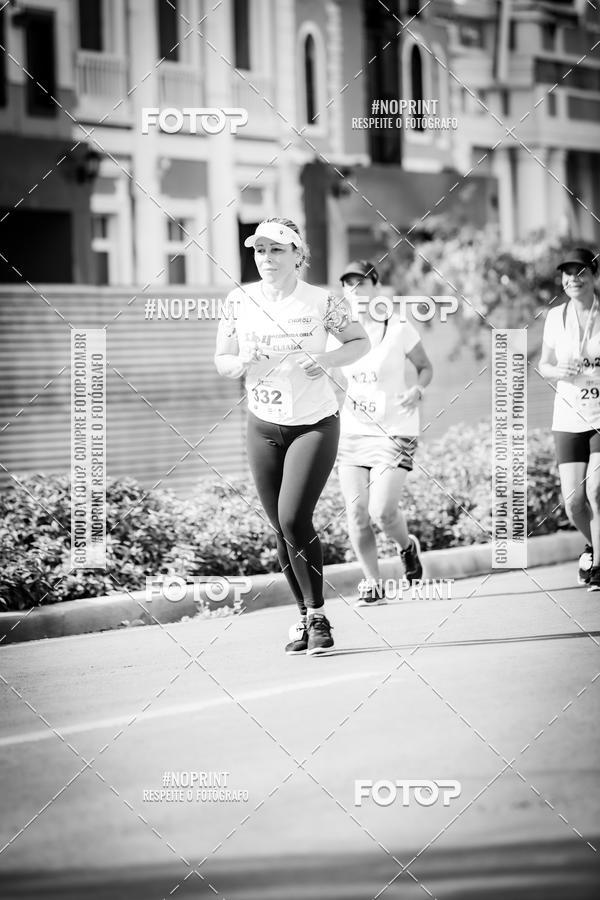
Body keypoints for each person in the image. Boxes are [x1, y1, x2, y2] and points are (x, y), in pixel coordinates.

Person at [214, 218, 370, 653]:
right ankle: (303, 617)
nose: (266, 258)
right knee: (280, 529)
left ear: (298, 255)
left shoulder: (323, 301)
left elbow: (360, 342)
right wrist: (241, 361)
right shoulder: (239, 301)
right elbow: (222, 359)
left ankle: (319, 616)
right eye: (260, 250)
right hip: (262, 425)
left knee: (292, 518)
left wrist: (326, 359)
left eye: (277, 249)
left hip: (314, 424)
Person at [331, 260, 433, 606]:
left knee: (382, 511)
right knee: (356, 512)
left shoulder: (398, 326)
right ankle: (373, 584)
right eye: (348, 284)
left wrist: (418, 389)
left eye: (360, 283)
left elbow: (425, 367)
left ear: (376, 286)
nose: (354, 290)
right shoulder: (338, 332)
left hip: (395, 429)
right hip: (353, 431)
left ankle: (407, 546)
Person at [539, 247, 600, 591]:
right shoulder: (555, 317)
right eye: (568, 274)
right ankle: (592, 545)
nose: (573, 279)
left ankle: (599, 567)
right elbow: (544, 365)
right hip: (568, 416)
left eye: (581, 273)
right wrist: (558, 370)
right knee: (574, 502)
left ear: (594, 276)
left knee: (597, 490)